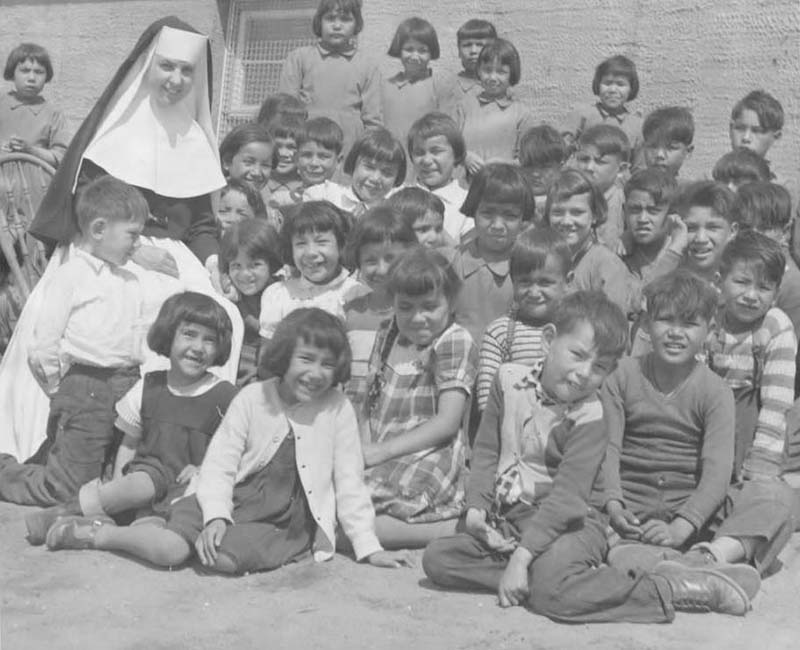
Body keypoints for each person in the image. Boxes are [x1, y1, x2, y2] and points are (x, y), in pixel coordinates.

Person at [423, 291, 756, 621]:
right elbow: (486, 451)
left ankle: (672, 588)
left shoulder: (591, 414)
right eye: (577, 355)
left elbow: (568, 499)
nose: (584, 373)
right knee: (439, 559)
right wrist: (477, 510)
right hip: (512, 518)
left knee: (550, 595)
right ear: (549, 340)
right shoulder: (506, 380)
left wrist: (522, 558)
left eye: (598, 367)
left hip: (575, 522)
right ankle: (549, 575)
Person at [0, 18, 244, 462]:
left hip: (176, 256)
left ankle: (182, 450)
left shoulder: (195, 138)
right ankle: (66, 443)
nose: (176, 79)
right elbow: (88, 208)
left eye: (186, 71)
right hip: (104, 249)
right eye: (166, 66)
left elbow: (202, 226)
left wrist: (213, 266)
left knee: (224, 314)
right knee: (98, 311)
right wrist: (135, 250)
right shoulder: (115, 131)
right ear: (148, 65)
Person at [43, 308, 413, 575]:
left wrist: (369, 547)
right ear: (283, 356)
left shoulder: (337, 408)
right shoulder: (253, 398)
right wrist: (217, 516)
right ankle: (102, 535)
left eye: (327, 364)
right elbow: (220, 463)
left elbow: (349, 479)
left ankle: (154, 529)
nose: (316, 373)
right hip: (232, 494)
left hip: (283, 517)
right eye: (306, 359)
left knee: (221, 560)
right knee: (171, 552)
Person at [606, 267, 794, 590]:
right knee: (575, 512)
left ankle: (706, 559)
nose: (676, 333)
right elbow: (606, 449)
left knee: (777, 498)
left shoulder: (715, 390)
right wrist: (613, 504)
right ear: (648, 324)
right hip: (629, 512)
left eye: (690, 324)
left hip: (696, 516)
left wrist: (683, 525)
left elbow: (717, 471)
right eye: (665, 320)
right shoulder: (621, 376)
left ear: (708, 330)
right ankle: (687, 578)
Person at [24, 291, 237, 544]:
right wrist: (117, 487)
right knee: (143, 482)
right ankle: (69, 512)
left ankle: (90, 534)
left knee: (156, 536)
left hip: (188, 488)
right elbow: (129, 443)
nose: (198, 348)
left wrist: (204, 469)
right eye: (189, 334)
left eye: (210, 340)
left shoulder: (225, 396)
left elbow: (236, 450)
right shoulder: (150, 387)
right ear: (169, 336)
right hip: (147, 477)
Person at [0, 176, 146, 505]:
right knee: (67, 489)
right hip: (85, 387)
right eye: (132, 235)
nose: (138, 245)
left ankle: (54, 461)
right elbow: (42, 348)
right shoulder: (71, 276)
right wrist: (59, 389)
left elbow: (141, 336)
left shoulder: (132, 279)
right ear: (97, 229)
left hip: (128, 385)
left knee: (107, 477)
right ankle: (7, 473)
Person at [362, 247, 477, 548]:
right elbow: (368, 402)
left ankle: (448, 530)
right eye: (406, 307)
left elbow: (446, 423)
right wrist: (363, 451)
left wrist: (381, 452)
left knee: (358, 526)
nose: (418, 317)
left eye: (429, 306)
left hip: (427, 451)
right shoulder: (387, 333)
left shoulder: (453, 340)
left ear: (450, 303)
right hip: (382, 449)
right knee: (334, 506)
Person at [475, 227, 570, 412]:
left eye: (545, 282)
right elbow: (487, 403)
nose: (534, 292)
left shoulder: (576, 330)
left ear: (568, 282)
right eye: (525, 282)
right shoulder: (499, 333)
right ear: (513, 280)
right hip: (512, 426)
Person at [278, 0, 382, 160]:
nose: (337, 25)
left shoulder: (367, 65)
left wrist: (370, 155)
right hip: (307, 146)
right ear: (319, 22)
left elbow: (373, 120)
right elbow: (286, 111)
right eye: (330, 18)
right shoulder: (300, 58)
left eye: (345, 19)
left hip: (348, 148)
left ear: (357, 24)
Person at [450, 163, 534, 345]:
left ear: (523, 218)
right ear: (473, 211)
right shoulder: (452, 262)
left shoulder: (529, 266)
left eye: (510, 216)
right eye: (487, 213)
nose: (497, 225)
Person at [343, 207, 416, 415]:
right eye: (370, 261)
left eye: (391, 258)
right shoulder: (350, 313)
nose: (382, 269)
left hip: (398, 418)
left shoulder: (417, 317)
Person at [259, 201, 363, 342]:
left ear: (341, 245)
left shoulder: (356, 295)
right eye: (301, 244)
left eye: (321, 242)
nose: (311, 253)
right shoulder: (278, 294)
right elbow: (267, 352)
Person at [542, 168, 631, 314]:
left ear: (595, 215)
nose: (566, 221)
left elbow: (614, 327)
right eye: (558, 212)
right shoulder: (542, 258)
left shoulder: (606, 265)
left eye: (577, 212)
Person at [382, 17, 454, 182]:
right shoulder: (386, 86)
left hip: (425, 160)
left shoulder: (439, 85)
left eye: (422, 50)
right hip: (392, 159)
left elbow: (447, 129)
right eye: (409, 49)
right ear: (399, 50)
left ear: (432, 52)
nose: (415, 56)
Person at [455, 39, 535, 175]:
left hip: (503, 185)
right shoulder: (465, 106)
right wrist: (465, 156)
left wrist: (505, 164)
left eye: (501, 72)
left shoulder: (521, 114)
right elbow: (449, 143)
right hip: (464, 186)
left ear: (512, 74)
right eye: (487, 70)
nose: (492, 77)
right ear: (479, 71)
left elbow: (528, 159)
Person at [220, 219, 282, 386]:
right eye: (236, 266)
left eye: (255, 265)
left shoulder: (282, 295)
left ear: (272, 263)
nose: (245, 274)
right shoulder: (228, 293)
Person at [305, 127, 405, 219]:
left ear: (397, 178)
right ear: (353, 164)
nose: (375, 178)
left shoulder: (399, 210)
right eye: (369, 167)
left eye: (387, 173)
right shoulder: (323, 195)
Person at [561, 55, 643, 163]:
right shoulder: (582, 115)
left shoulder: (637, 126)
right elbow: (560, 151)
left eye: (620, 84)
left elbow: (639, 167)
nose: (613, 90)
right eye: (607, 83)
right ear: (597, 85)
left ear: (631, 89)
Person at [0, 42, 70, 167]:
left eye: (39, 72)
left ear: (46, 76)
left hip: (37, 184)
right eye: (25, 71)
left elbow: (62, 159)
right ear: (12, 73)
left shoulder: (53, 114)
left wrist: (30, 150)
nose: (31, 78)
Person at [407, 112, 473, 241]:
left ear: (456, 155)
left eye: (436, 151)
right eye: (419, 153)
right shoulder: (399, 196)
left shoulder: (468, 203)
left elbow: (466, 256)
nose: (426, 160)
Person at [574, 124, 631, 251]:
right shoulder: (572, 198)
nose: (589, 168)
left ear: (621, 169)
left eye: (600, 162)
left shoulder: (625, 203)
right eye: (584, 159)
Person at [668, 181, 739, 283]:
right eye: (691, 228)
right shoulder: (664, 275)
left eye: (712, 227)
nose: (700, 238)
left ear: (732, 231)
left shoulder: (742, 282)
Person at [518, 124, 568, 222]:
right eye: (529, 166)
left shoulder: (569, 201)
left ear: (561, 165)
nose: (535, 174)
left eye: (544, 167)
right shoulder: (512, 200)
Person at [641, 106, 694, 183]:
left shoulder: (691, 193)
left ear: (688, 151)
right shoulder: (629, 191)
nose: (659, 155)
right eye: (653, 146)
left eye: (671, 148)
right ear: (643, 147)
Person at [451, 19, 497, 102]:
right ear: (459, 51)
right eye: (467, 45)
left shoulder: (501, 87)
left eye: (480, 45)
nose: (473, 51)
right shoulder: (448, 89)